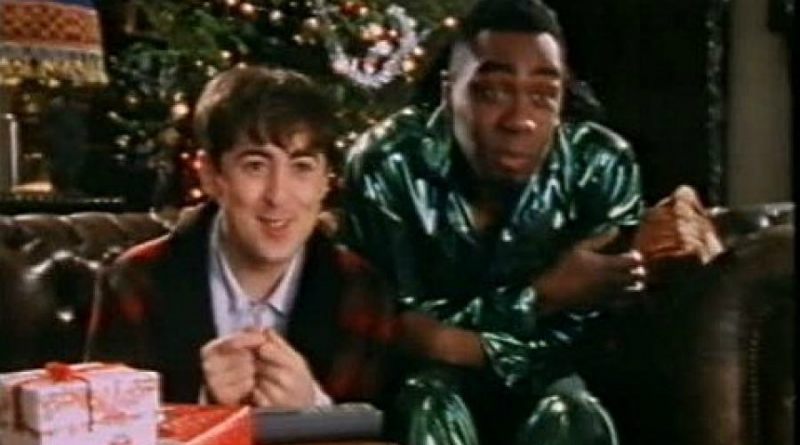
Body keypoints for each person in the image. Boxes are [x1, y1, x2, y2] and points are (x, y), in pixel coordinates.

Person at [339, 0, 723, 444]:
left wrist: (462, 344)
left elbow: (597, 345)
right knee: (429, 401)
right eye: (493, 93)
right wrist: (542, 296)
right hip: (426, 387)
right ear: (449, 92)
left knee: (573, 412)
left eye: (543, 97)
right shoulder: (389, 162)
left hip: (557, 387)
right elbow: (396, 333)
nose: (520, 120)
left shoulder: (599, 164)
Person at [85, 66, 395, 408]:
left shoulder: (362, 289)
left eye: (302, 167)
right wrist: (204, 408)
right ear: (211, 176)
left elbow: (378, 427)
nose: (278, 195)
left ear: (325, 182)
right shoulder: (135, 281)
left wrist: (314, 409)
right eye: (255, 166)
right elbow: (105, 424)